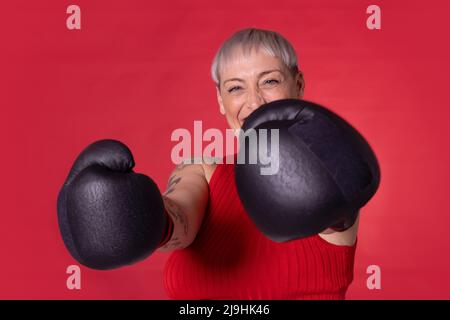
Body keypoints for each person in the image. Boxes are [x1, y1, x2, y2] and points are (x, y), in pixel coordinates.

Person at [57, 28, 379, 299]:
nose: (253, 102)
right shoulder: (200, 169)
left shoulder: (327, 165)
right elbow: (178, 220)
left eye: (269, 81)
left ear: (299, 85)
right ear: (220, 101)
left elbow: (335, 213)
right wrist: (131, 218)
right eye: (236, 87)